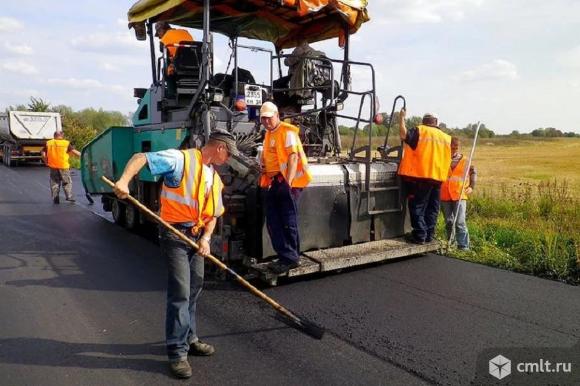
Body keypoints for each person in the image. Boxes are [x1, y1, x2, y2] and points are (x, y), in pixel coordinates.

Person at [113, 130, 238, 379]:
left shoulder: (213, 176)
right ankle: (177, 352)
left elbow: (214, 213)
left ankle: (190, 338)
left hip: (196, 237)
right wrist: (124, 181)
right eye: (229, 154)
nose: (229, 159)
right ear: (220, 148)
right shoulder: (180, 160)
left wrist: (205, 239)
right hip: (174, 236)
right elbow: (140, 158)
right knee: (180, 292)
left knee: (195, 288)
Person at [259, 101, 312, 274]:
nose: (266, 121)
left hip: (287, 182)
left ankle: (291, 258)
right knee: (274, 220)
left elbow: (293, 157)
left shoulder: (287, 132)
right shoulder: (268, 134)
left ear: (277, 115)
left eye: (269, 118)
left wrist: (288, 183)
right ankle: (284, 255)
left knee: (287, 220)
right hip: (275, 181)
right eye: (263, 119)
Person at [398, 109, 451, 244]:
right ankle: (429, 236)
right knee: (432, 208)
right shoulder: (446, 137)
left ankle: (420, 235)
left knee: (417, 206)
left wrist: (402, 118)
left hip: (422, 177)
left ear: (423, 121)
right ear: (436, 122)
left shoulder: (420, 131)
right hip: (438, 178)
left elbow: (404, 135)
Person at [440, 137, 477, 250]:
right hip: (444, 195)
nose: (454, 150)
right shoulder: (441, 159)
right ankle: (450, 242)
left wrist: (471, 186)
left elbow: (473, 172)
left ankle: (463, 246)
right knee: (449, 221)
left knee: (460, 222)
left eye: (456, 148)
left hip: (459, 195)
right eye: (452, 148)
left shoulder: (466, 160)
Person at [41, 131, 81, 204]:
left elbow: (43, 154)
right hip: (63, 166)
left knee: (54, 182)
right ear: (62, 135)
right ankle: (69, 196)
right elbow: (74, 152)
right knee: (67, 182)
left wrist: (46, 161)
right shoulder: (66, 143)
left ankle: (55, 198)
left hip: (53, 166)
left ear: (54, 135)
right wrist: (83, 155)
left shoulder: (49, 143)